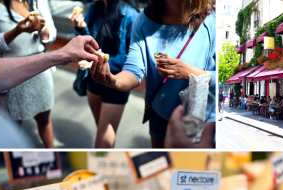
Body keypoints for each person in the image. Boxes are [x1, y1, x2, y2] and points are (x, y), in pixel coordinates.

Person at [90, 0, 216, 148]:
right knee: (164, 163)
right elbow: (133, 70)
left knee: (192, 166)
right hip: (159, 117)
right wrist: (111, 80)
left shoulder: (212, 20)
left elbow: (221, 79)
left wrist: (189, 72)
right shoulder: (143, 20)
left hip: (200, 120)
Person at [69, 0, 138, 148]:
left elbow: (135, 60)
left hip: (116, 82)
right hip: (92, 79)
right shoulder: (95, 7)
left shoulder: (131, 16)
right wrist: (80, 28)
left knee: (102, 144)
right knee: (102, 130)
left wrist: (101, 60)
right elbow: (88, 43)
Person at [0, 0, 57, 148]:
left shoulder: (38, 1)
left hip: (41, 68)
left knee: (44, 118)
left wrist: (41, 29)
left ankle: (51, 155)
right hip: (11, 73)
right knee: (14, 125)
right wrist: (17, 31)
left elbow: (51, 34)